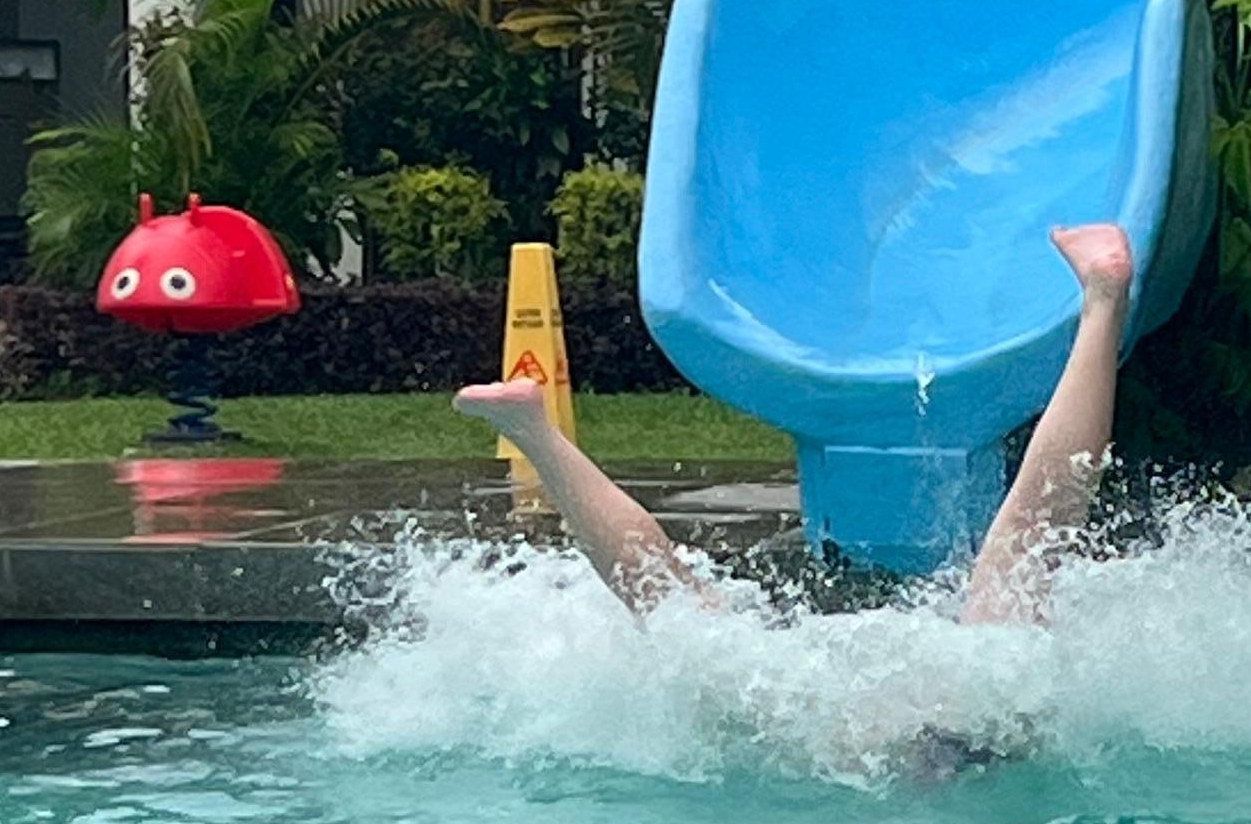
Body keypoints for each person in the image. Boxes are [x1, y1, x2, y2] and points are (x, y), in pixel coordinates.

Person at [455, 220, 1133, 632]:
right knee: (674, 611)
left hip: (857, 723)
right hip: (917, 735)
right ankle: (1102, 303)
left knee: (1030, 543)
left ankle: (537, 433)